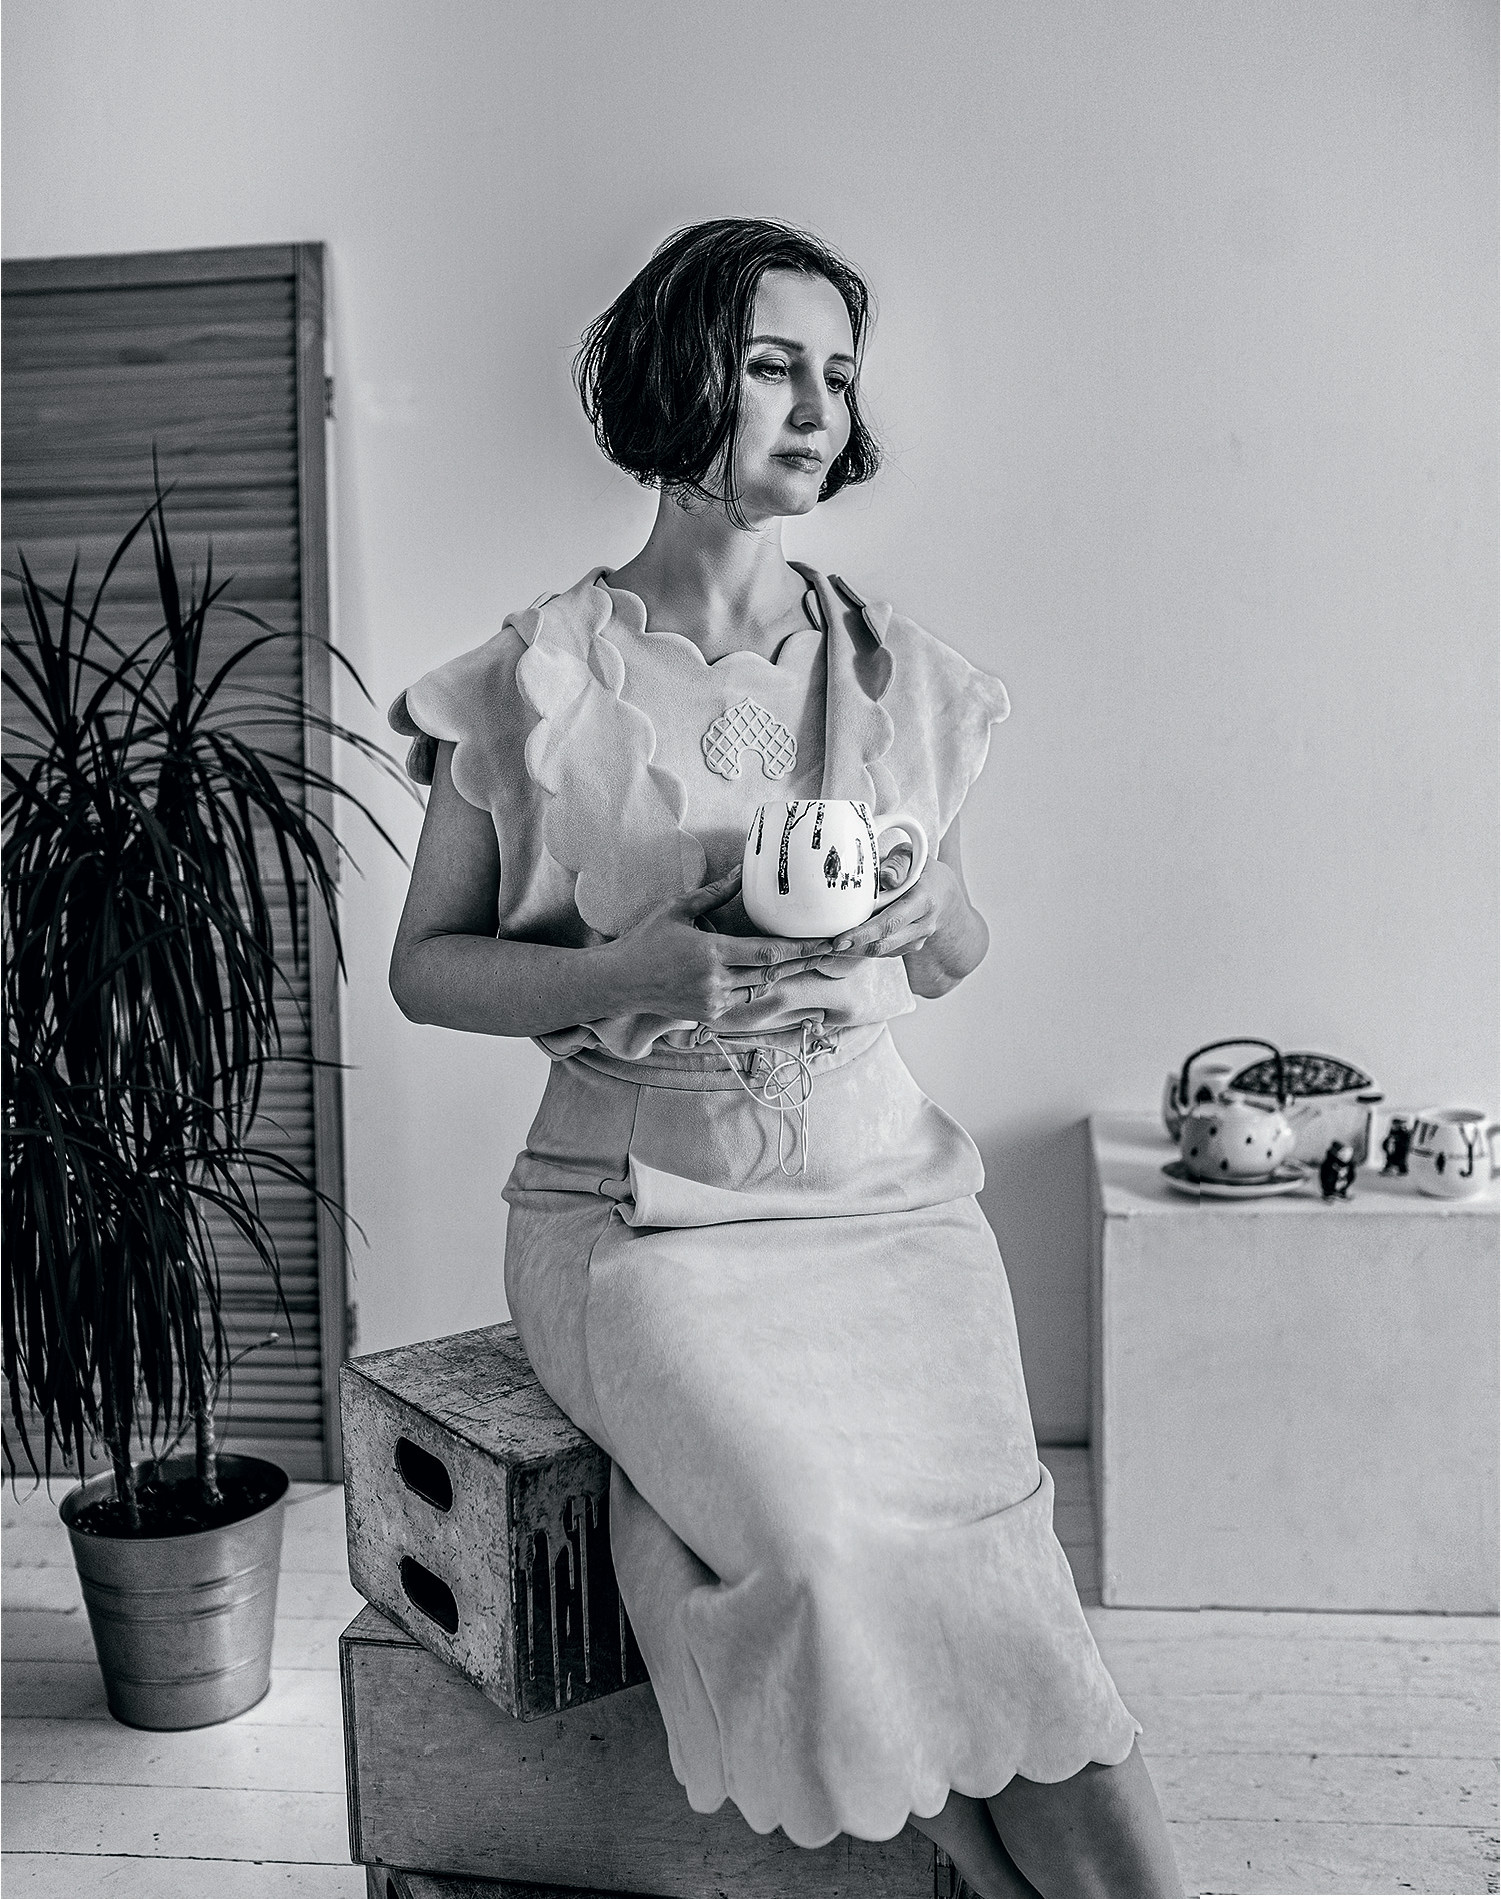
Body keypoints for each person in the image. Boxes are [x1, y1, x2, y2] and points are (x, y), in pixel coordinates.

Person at [389, 218, 1183, 1899]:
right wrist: (626, 971)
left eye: (836, 375)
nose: (818, 411)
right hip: (636, 1216)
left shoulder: (904, 677)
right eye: (772, 368)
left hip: (885, 1202)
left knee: (1004, 1595)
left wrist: (938, 908)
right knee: (824, 1559)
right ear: (677, 376)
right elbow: (424, 970)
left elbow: (955, 955)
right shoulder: (530, 679)